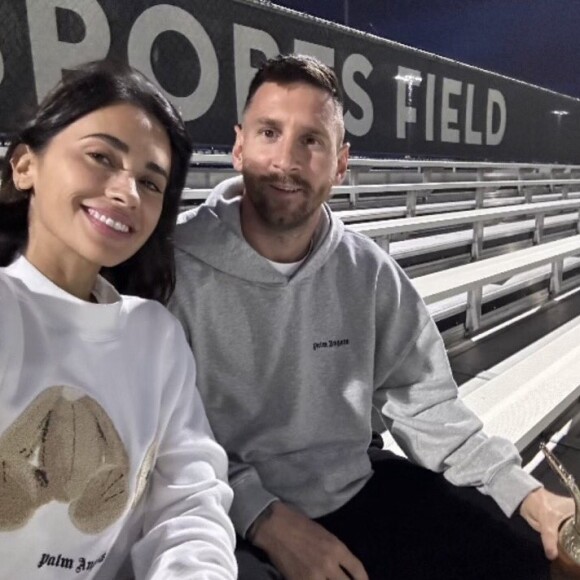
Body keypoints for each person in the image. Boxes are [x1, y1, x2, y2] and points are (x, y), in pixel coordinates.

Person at [170, 54, 573, 579]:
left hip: (353, 487)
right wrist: (265, 517)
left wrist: (529, 496)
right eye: (270, 132)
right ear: (239, 145)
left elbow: (428, 410)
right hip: (226, 510)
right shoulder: (175, 268)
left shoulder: (369, 273)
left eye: (312, 140)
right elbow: (165, 439)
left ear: (341, 162)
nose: (287, 161)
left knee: (524, 553)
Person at [0, 60, 236, 579]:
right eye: (101, 156)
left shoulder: (155, 336)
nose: (127, 193)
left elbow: (189, 502)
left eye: (151, 184)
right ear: (25, 166)